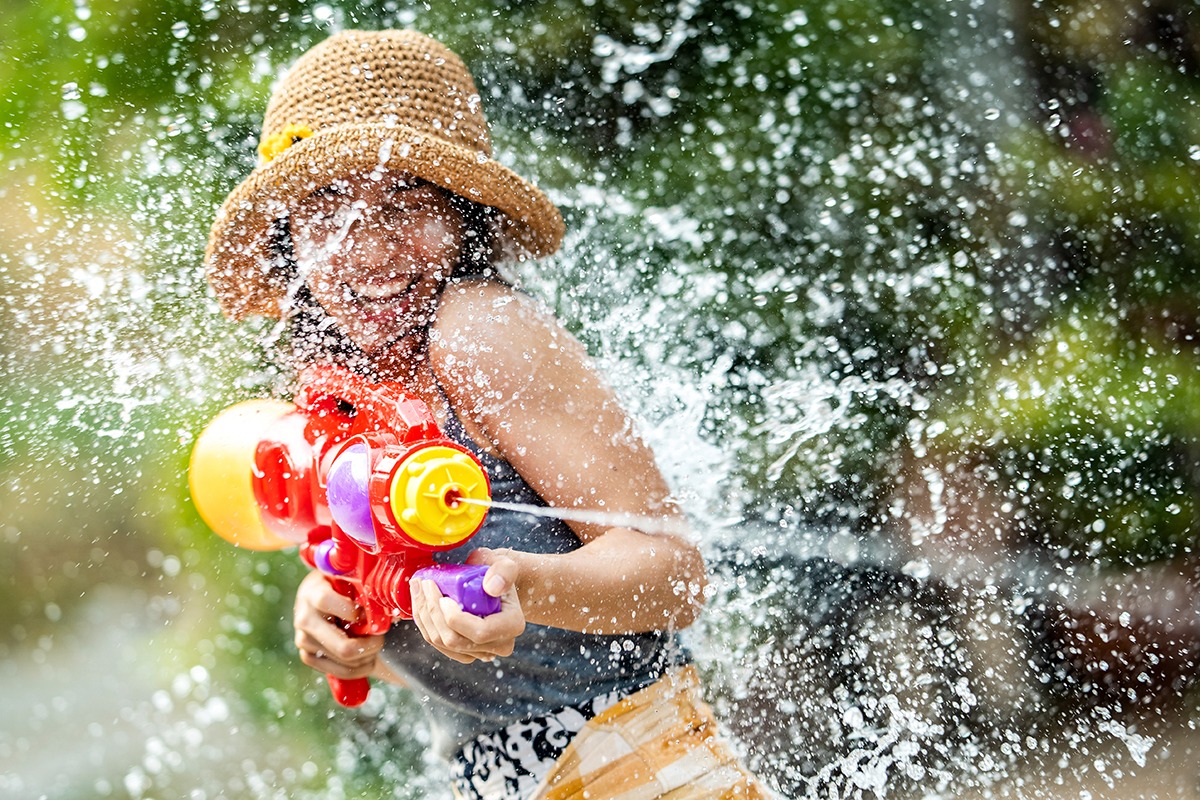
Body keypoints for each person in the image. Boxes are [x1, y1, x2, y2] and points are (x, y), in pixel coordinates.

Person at [204, 29, 769, 800]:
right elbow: (482, 655)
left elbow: (676, 576)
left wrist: (515, 582)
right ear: (290, 238)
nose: (370, 248)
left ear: (465, 217)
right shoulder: (331, 388)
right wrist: (348, 620)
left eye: (406, 204)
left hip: (636, 761)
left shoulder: (478, 331)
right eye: (329, 211)